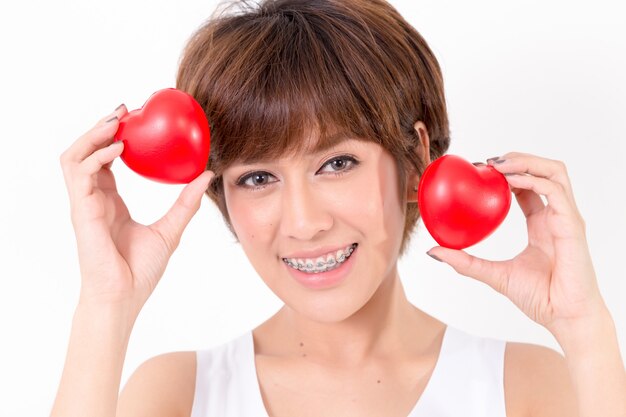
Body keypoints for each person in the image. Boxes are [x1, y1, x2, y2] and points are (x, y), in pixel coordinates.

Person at [51, 0, 626, 416]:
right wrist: (107, 306)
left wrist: (583, 327)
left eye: (336, 164)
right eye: (256, 177)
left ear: (414, 160)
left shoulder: (524, 388)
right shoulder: (176, 394)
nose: (303, 222)